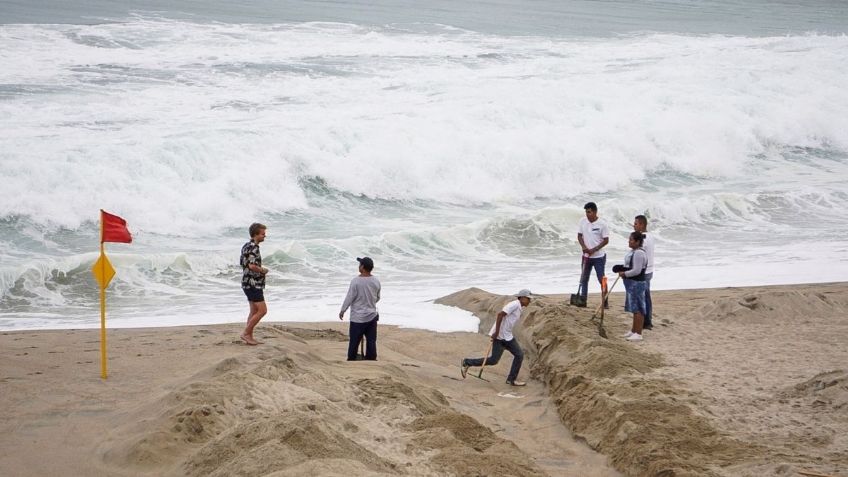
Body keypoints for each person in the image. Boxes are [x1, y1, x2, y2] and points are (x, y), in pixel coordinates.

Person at [460, 289, 532, 386]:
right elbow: (500, 315)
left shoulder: (519, 307)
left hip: (508, 336)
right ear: (522, 298)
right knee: (494, 360)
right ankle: (466, 362)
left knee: (519, 355)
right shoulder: (514, 305)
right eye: (528, 298)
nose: (529, 301)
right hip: (499, 337)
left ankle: (511, 380)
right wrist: (496, 332)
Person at [339, 256, 381, 361]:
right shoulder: (376, 281)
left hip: (357, 318)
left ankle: (352, 358)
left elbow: (350, 297)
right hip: (372, 316)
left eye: (360, 264)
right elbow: (377, 297)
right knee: (371, 341)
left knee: (354, 341)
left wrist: (343, 310)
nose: (359, 266)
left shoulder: (356, 281)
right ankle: (371, 359)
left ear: (362, 267)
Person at [616, 231, 648, 342]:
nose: (629, 241)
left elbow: (637, 270)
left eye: (631, 240)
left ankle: (638, 333)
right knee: (634, 308)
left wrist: (625, 274)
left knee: (638, 308)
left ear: (637, 241)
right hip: (631, 283)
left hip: (637, 283)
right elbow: (630, 266)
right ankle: (634, 330)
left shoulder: (639, 253)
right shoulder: (633, 251)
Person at [576, 202, 610, 308]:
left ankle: (605, 301)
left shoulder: (602, 224)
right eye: (586, 212)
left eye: (589, 212)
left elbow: (606, 240)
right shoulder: (582, 221)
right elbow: (579, 236)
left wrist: (595, 249)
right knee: (584, 279)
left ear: (595, 212)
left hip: (599, 257)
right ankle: (583, 300)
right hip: (586, 256)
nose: (587, 214)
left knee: (601, 279)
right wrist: (584, 248)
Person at [240, 223, 269, 345]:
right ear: (255, 234)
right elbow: (252, 266)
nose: (265, 236)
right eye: (263, 234)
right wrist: (263, 270)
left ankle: (249, 337)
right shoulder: (254, 248)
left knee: (253, 311)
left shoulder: (246, 245)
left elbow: (244, 263)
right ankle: (246, 333)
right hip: (253, 283)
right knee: (262, 310)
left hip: (247, 282)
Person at [633, 215, 655, 329]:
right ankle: (647, 320)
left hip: (644, 271)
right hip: (649, 269)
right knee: (646, 295)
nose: (634, 225)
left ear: (642, 225)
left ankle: (646, 322)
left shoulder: (643, 240)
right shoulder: (650, 236)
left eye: (636, 223)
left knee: (643, 296)